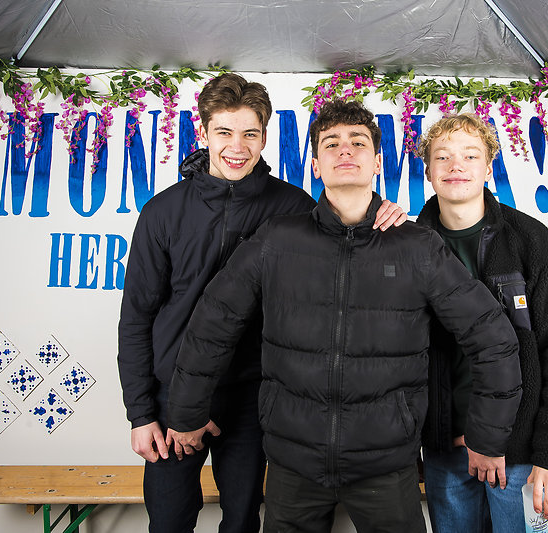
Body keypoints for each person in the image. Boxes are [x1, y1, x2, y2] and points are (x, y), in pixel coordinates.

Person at [167, 100, 523, 533]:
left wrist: (488, 436)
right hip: (292, 465)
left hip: (386, 468)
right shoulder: (277, 240)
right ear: (316, 166)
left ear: (378, 163)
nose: (345, 150)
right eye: (331, 143)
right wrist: (186, 413)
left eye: (358, 142)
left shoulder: (417, 247)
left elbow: (491, 338)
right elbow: (212, 324)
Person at [117, 74, 406, 533]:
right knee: (168, 522)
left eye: (250, 133)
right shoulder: (162, 211)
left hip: (253, 396)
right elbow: (136, 317)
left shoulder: (293, 208)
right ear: (203, 132)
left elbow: (347, 237)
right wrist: (141, 412)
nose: (237, 147)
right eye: (224, 132)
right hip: (173, 395)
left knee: (243, 521)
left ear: (265, 137)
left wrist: (383, 212)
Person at [415, 114, 548, 533]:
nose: (456, 166)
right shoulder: (410, 245)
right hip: (447, 452)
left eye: (470, 155)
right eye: (443, 156)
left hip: (522, 455)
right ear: (428, 171)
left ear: (488, 167)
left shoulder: (530, 241)